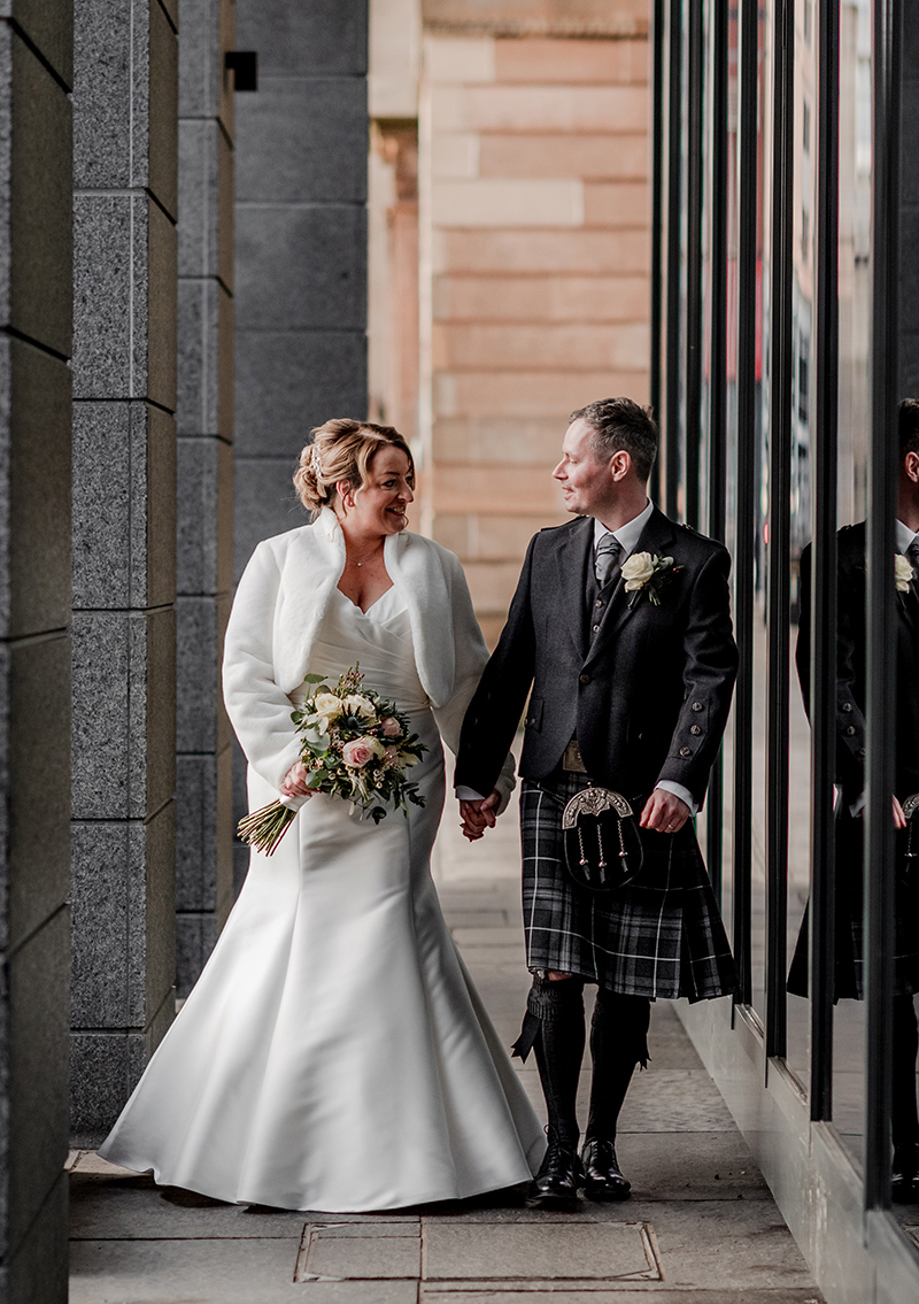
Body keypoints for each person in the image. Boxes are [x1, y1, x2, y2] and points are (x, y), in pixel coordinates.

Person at [99, 418, 545, 1212]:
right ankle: (248, 1143)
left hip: (405, 781)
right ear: (345, 490)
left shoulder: (434, 568)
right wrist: (286, 760)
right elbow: (245, 674)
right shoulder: (279, 560)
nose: (406, 496)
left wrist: (485, 781)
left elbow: (468, 684)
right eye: (390, 483)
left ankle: (420, 1152)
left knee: (392, 921)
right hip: (301, 782)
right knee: (282, 930)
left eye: (408, 481)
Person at [454, 398, 738, 1210]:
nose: (557, 472)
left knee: (625, 980)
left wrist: (680, 781)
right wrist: (479, 777)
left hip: (640, 798)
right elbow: (512, 666)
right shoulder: (548, 551)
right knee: (553, 971)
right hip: (553, 788)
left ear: (617, 465)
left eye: (569, 458)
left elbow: (708, 678)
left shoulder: (695, 559)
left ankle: (603, 1142)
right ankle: (556, 1147)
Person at [788, 397, 919, 1199]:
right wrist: (871, 777)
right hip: (888, 803)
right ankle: (905, 1148)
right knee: (895, 986)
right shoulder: (842, 559)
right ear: (914, 465)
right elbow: (826, 677)